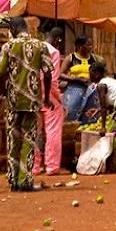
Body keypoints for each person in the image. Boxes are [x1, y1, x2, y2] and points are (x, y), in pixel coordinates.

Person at [0, 17, 52, 192]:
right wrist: (47, 96)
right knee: (28, 139)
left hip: (13, 101)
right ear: (26, 28)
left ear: (12, 29)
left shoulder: (8, 47)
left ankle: (13, 180)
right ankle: (25, 180)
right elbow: (48, 73)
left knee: (13, 139)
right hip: (33, 100)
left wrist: (5, 93)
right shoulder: (40, 46)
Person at [33, 27, 66, 176]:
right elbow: (52, 79)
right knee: (53, 130)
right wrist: (58, 98)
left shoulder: (34, 48)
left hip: (33, 93)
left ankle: (33, 166)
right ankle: (51, 166)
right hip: (48, 95)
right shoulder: (54, 52)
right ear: (58, 39)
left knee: (34, 131)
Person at [60, 36, 104, 123]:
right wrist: (77, 79)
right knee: (71, 112)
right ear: (80, 46)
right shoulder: (70, 58)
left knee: (91, 113)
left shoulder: (95, 59)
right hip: (74, 89)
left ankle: (87, 133)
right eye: (88, 45)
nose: (91, 47)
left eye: (91, 45)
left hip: (91, 90)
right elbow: (60, 74)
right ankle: (71, 132)